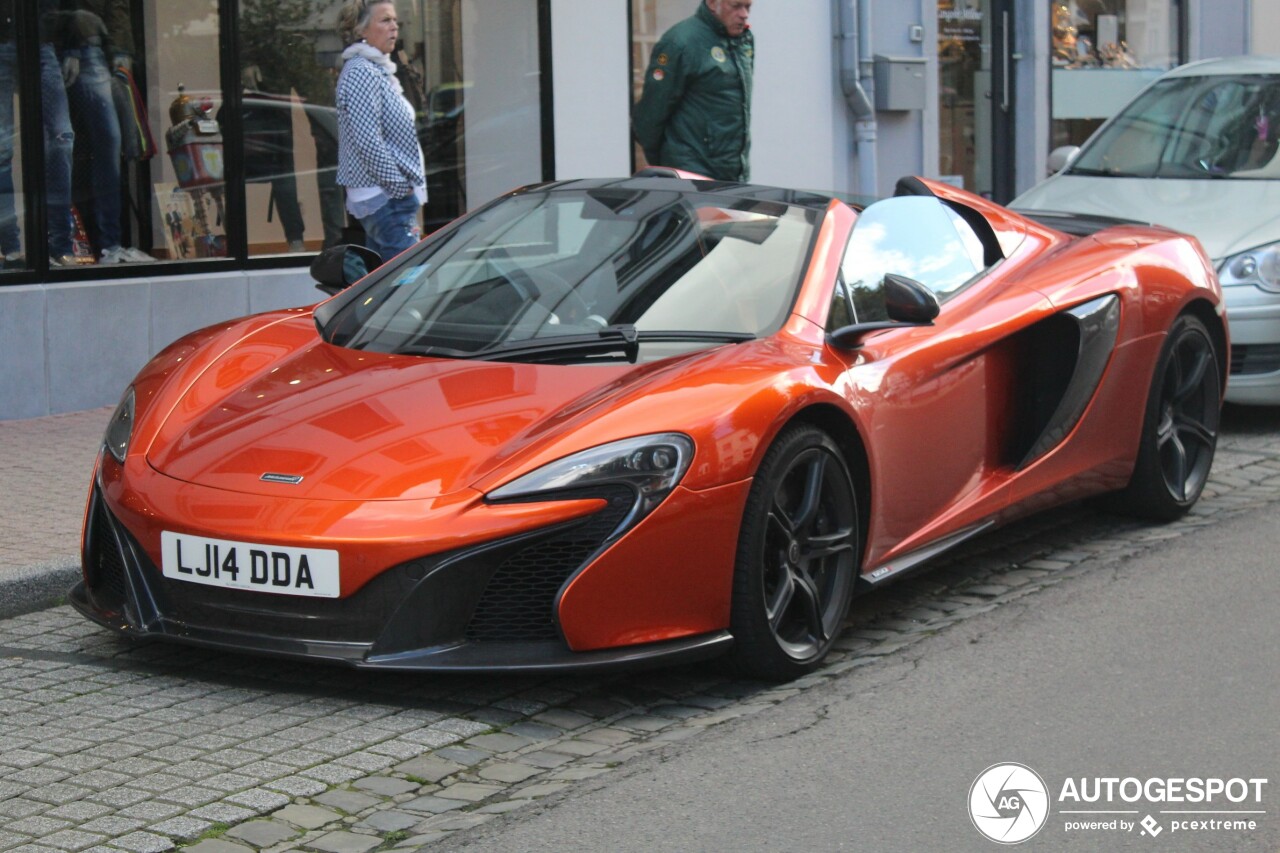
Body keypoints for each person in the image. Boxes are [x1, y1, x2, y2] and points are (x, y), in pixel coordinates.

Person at [56, 0, 154, 264]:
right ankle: (98, 244)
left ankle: (106, 244)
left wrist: (121, 51)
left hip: (96, 46)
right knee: (83, 144)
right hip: (84, 44)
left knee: (106, 144)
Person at [334, 0, 426, 264]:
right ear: (362, 30)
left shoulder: (376, 69)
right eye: (385, 20)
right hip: (385, 198)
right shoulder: (362, 72)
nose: (394, 27)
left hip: (386, 197)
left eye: (395, 21)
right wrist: (400, 189)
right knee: (408, 279)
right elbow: (367, 140)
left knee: (384, 282)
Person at [632, 0, 755, 183]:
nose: (744, 14)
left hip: (733, 173)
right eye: (736, 6)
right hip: (691, 172)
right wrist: (667, 163)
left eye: (748, 7)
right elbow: (651, 114)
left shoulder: (743, 40)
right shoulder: (680, 42)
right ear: (713, 3)